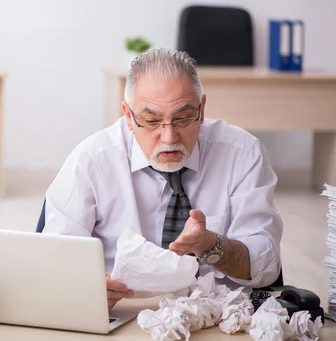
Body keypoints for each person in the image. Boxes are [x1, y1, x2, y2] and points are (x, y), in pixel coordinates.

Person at [42, 47, 283, 309]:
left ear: (201, 110)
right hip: (124, 315)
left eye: (182, 118)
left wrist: (213, 247)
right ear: (129, 116)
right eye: (152, 121)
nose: (169, 137)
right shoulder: (92, 160)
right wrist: (84, 285)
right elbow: (54, 260)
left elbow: (266, 266)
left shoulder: (242, 154)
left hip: (216, 318)